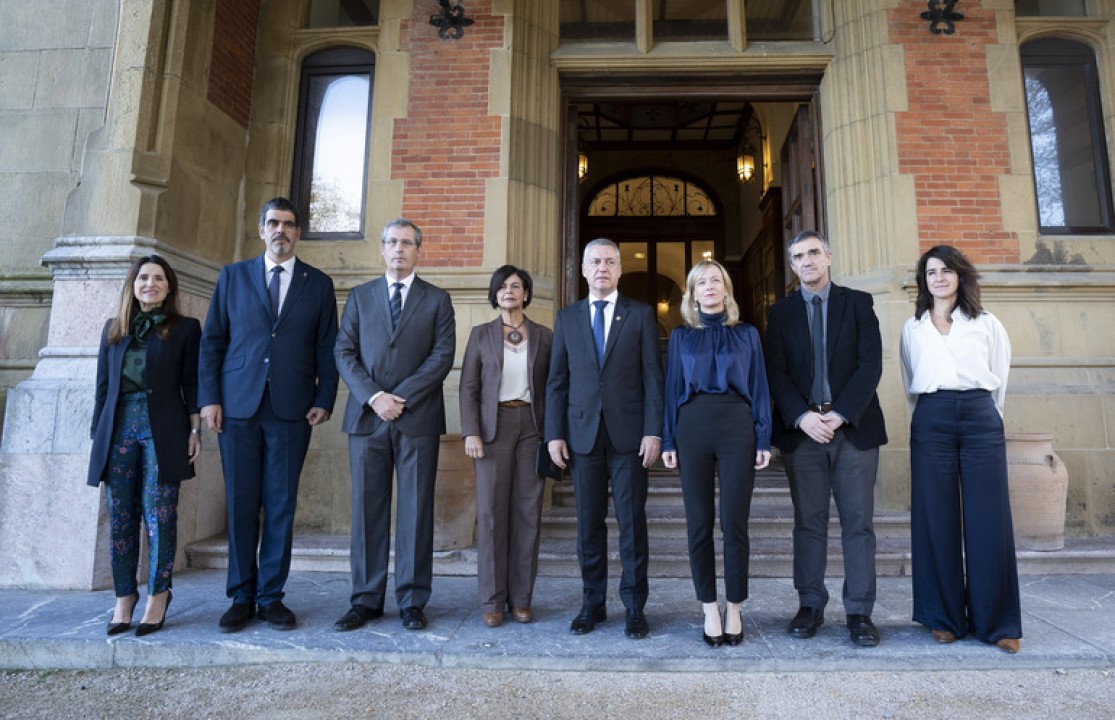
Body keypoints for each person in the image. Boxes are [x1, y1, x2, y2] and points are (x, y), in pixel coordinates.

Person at [199, 197, 339, 632]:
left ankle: (271, 596)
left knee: (280, 505)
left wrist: (325, 397)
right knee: (241, 504)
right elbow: (213, 341)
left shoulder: (318, 284)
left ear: (298, 233)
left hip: (292, 408)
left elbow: (327, 347)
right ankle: (241, 595)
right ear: (261, 230)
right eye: (274, 223)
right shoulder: (233, 276)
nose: (282, 230)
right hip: (237, 406)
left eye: (289, 224)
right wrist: (209, 399)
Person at [765, 230, 888, 647]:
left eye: (814, 253)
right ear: (792, 265)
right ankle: (810, 605)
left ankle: (859, 612)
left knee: (858, 524)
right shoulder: (780, 313)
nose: (807, 261)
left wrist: (839, 414)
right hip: (803, 434)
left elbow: (870, 365)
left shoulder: (858, 303)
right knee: (808, 523)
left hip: (853, 429)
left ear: (828, 257)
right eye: (799, 256)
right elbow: (776, 372)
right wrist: (802, 417)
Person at [333, 218, 455, 633]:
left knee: (416, 511)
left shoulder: (437, 300)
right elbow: (344, 351)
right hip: (367, 419)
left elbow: (442, 357)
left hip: (417, 418)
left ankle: (412, 600)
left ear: (419, 250)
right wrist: (375, 397)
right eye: (392, 242)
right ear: (382, 249)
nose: (399, 249)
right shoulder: (360, 296)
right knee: (367, 512)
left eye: (406, 243)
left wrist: (398, 398)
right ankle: (365, 600)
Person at [900, 245, 1021, 653]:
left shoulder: (986, 323)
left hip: (980, 416)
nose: (939, 278)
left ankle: (997, 623)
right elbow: (909, 379)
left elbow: (1000, 374)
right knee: (936, 517)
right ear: (924, 281)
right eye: (931, 272)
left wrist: (988, 416)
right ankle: (944, 617)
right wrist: (926, 418)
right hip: (931, 418)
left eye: (946, 270)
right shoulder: (913, 328)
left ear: (960, 276)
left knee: (990, 519)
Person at [545, 238, 664, 639]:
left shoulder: (641, 315)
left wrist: (653, 430)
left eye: (610, 262)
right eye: (595, 261)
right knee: (588, 527)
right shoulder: (567, 318)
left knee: (632, 525)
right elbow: (557, 382)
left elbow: (653, 377)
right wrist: (554, 434)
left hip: (630, 437)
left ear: (619, 269)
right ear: (583, 269)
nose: (602, 268)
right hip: (583, 437)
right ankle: (592, 604)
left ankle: (634, 607)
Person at [661, 260, 772, 647]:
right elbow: (672, 388)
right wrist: (668, 440)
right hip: (691, 426)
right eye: (700, 282)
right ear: (692, 294)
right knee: (699, 521)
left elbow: (759, 387)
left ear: (726, 289)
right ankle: (709, 606)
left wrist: (763, 438)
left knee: (734, 521)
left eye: (715, 280)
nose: (709, 286)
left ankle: (734, 606)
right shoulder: (681, 337)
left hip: (737, 426)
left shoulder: (747, 334)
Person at [88, 255, 201, 637]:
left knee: (159, 514)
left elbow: (192, 382)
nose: (150, 284)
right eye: (143, 278)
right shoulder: (113, 329)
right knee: (121, 516)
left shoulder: (185, 328)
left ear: (169, 287)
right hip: (118, 428)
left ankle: (158, 594)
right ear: (132, 286)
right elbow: (102, 388)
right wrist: (98, 436)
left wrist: (195, 430)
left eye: (158, 278)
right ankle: (124, 596)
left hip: (163, 429)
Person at [459, 265, 553, 628]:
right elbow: (469, 387)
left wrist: (553, 434)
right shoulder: (481, 335)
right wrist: (471, 432)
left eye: (515, 286)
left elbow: (553, 387)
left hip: (532, 427)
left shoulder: (544, 335)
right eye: (502, 287)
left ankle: (521, 599)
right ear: (495, 295)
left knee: (528, 513)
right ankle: (493, 600)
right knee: (492, 514)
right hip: (491, 428)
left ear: (526, 294)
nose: (509, 291)